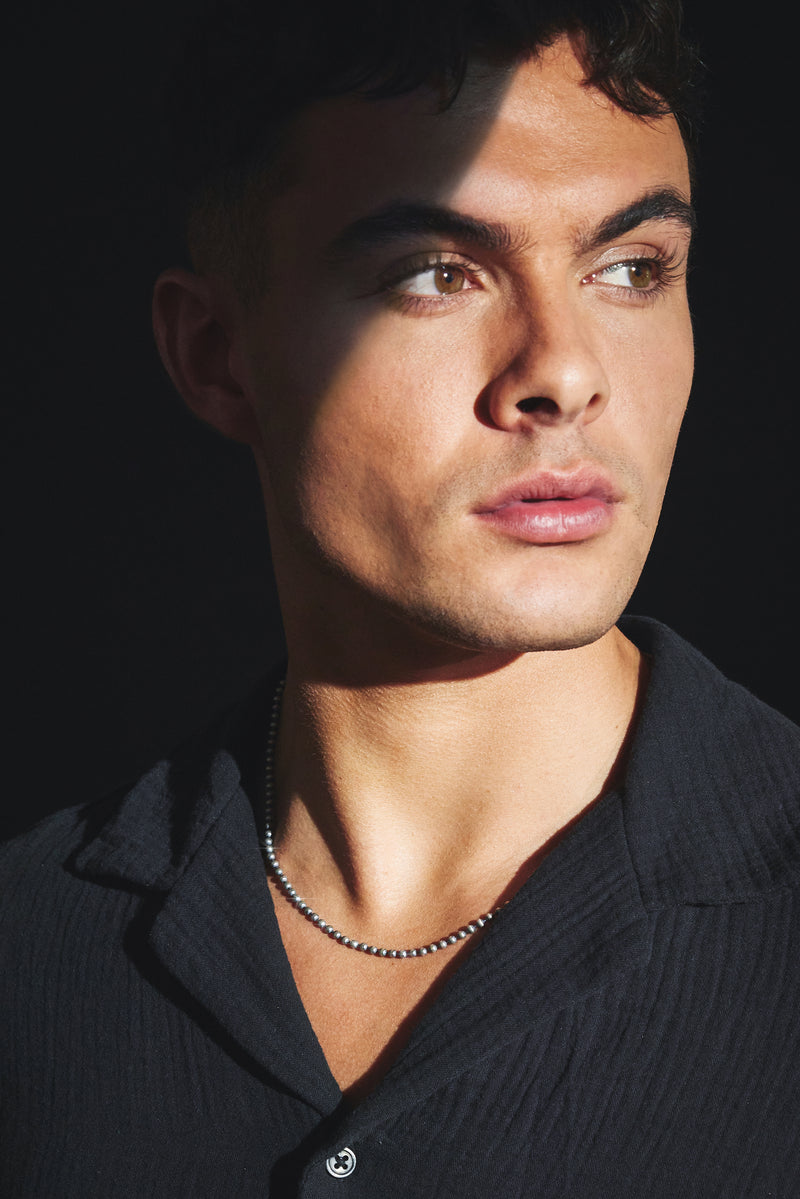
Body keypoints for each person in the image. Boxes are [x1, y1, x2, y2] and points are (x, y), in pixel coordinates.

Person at [2, 1, 798, 1194]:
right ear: (216, 354)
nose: (563, 371)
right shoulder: (32, 952)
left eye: (629, 268)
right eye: (436, 274)